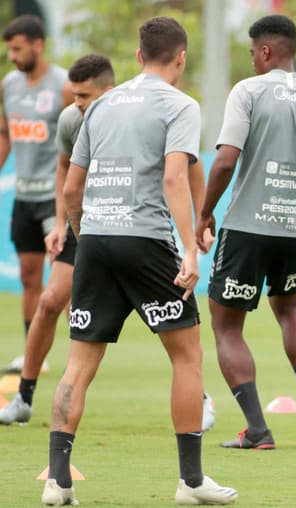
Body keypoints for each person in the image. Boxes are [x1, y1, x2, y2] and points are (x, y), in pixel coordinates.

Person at [42, 17, 237, 506]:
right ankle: (191, 482)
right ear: (181, 58)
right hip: (146, 241)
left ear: (136, 56)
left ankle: (57, 481)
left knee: (79, 364)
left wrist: (89, 246)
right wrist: (189, 250)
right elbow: (176, 177)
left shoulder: (101, 104)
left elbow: (71, 189)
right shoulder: (180, 104)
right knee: (187, 356)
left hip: (96, 242)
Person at [0, 53, 216, 432]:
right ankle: (24, 398)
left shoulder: (136, 111)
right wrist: (61, 225)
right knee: (51, 301)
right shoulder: (72, 119)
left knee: (171, 331)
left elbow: (188, 170)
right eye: (76, 96)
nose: (78, 103)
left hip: (137, 231)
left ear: (109, 90)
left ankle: (198, 397)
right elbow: (67, 172)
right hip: (88, 225)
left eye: (84, 95)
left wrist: (201, 218)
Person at [196, 14, 296, 450]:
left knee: (227, 327)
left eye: (251, 54)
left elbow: (225, 160)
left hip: (247, 227)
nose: (251, 63)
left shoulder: (248, 91)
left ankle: (257, 429)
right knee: (290, 310)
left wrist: (205, 212)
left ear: (264, 51)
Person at [0, 15, 73, 373]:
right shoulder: (9, 85)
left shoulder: (63, 85)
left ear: (37, 44)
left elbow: (82, 139)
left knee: (66, 279)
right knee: (30, 278)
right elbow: (4, 134)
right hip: (24, 198)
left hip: (54, 198)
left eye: (17, 48)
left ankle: (81, 347)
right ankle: (33, 356)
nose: (12, 55)